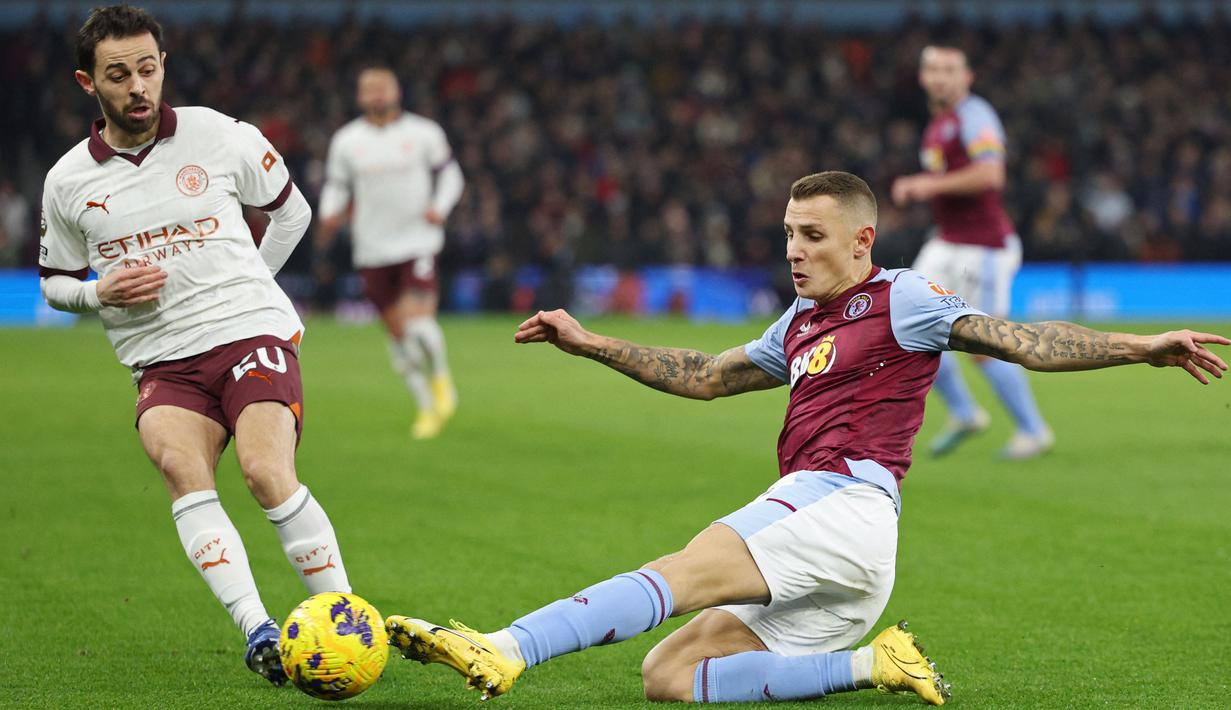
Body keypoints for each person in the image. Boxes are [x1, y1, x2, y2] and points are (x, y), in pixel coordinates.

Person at [381, 171, 1226, 705]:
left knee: (682, 571)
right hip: (850, 557)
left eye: (811, 236)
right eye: (787, 234)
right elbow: (708, 375)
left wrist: (1139, 346)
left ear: (862, 240)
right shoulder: (797, 322)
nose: (793, 249)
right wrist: (592, 343)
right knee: (667, 678)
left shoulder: (904, 298)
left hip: (842, 498)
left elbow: (1017, 341)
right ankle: (875, 665)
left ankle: (501, 648)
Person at [38, 5, 352, 686]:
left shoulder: (218, 135)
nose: (137, 87)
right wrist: (98, 294)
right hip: (161, 360)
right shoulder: (68, 182)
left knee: (267, 474)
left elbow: (290, 210)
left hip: (248, 331)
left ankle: (344, 617)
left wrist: (251, 282)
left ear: (162, 66)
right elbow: (55, 283)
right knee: (183, 469)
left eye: (147, 69)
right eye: (118, 75)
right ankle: (258, 629)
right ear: (87, 83)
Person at [891, 45, 1052, 460]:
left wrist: (928, 185)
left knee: (984, 345)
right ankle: (965, 412)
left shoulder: (974, 116)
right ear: (923, 77)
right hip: (947, 242)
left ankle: (1033, 430)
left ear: (968, 77)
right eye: (933, 69)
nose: (941, 77)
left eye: (950, 70)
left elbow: (990, 173)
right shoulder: (938, 124)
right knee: (907, 321)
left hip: (984, 247)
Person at [316, 66, 465, 439]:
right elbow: (337, 186)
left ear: (397, 91)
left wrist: (440, 208)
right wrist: (329, 214)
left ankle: (443, 379)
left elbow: (451, 175)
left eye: (383, 87)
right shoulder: (347, 141)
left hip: (418, 241)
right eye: (369, 89)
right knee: (399, 338)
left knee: (419, 323)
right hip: (372, 249)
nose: (377, 94)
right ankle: (426, 408)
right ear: (360, 97)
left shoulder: (423, 133)